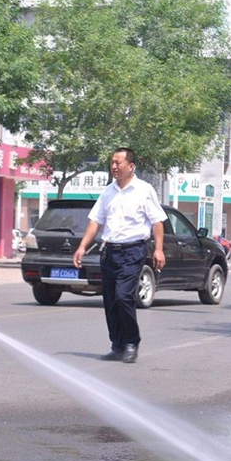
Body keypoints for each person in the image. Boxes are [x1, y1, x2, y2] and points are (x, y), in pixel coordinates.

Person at [72, 147, 166, 363]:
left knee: (124, 297)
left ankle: (131, 342)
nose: (114, 166)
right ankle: (117, 345)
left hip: (133, 251)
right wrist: (82, 247)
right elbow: (95, 221)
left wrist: (159, 248)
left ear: (131, 166)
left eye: (118, 163)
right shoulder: (108, 192)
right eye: (112, 162)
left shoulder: (144, 190)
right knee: (110, 300)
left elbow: (157, 221)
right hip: (110, 251)